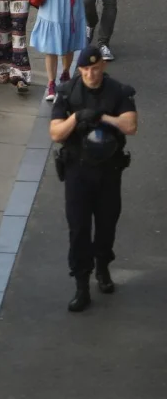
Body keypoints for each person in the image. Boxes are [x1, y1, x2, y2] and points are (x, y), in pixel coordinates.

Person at [50, 46, 138, 312]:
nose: (91, 73)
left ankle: (102, 266)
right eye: (86, 69)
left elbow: (131, 125)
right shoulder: (67, 93)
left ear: (103, 66)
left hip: (108, 171)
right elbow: (55, 133)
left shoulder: (118, 91)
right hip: (78, 171)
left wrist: (103, 117)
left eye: (95, 67)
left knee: (106, 224)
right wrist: (77, 117)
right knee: (78, 228)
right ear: (79, 70)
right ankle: (81, 285)